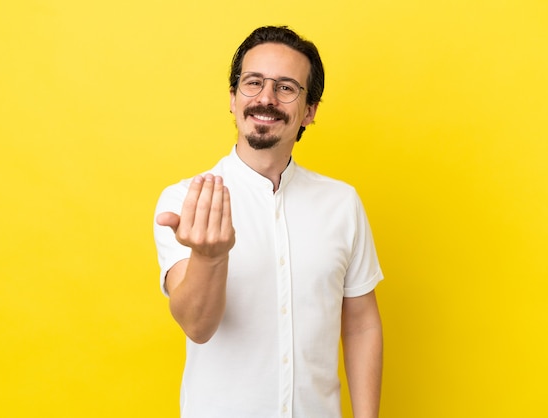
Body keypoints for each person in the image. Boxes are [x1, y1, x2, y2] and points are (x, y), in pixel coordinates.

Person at [154, 25, 383, 418]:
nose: (266, 98)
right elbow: (196, 326)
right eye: (253, 83)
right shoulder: (187, 200)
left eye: (286, 87)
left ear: (309, 111)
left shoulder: (342, 203)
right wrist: (210, 258)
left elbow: (362, 324)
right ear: (232, 98)